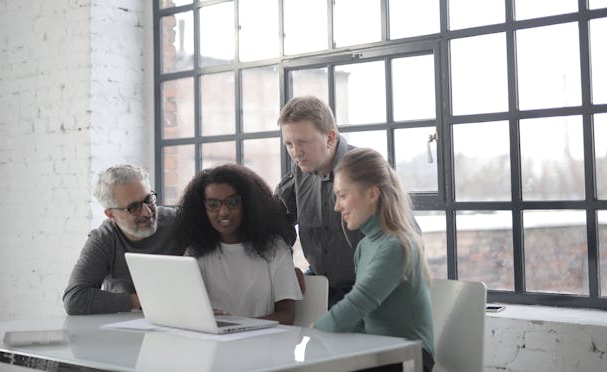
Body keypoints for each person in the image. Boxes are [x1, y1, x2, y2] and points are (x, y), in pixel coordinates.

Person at [275, 96, 420, 307]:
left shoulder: (366, 170)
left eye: (303, 142)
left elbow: (409, 242)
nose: (295, 153)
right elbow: (275, 223)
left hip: (371, 293)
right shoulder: (300, 172)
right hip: (321, 287)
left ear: (330, 138)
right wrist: (285, 270)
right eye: (289, 144)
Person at [313, 147, 434, 372]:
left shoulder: (397, 245)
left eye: (342, 195)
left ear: (371, 193)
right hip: (377, 352)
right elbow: (359, 320)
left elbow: (358, 303)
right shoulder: (364, 246)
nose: (337, 207)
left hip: (410, 358)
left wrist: (311, 333)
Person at [174, 164, 303, 324]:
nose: (223, 212)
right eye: (213, 205)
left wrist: (235, 325)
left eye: (232, 202)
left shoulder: (275, 248)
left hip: (264, 345)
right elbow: (187, 313)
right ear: (202, 210)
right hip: (213, 345)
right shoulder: (195, 254)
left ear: (248, 204)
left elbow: (287, 316)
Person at [63, 164, 184, 315]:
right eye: (133, 207)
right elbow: (75, 299)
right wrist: (143, 301)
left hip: (179, 319)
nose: (147, 212)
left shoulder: (178, 223)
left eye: (148, 199)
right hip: (124, 328)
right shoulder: (104, 239)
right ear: (111, 215)